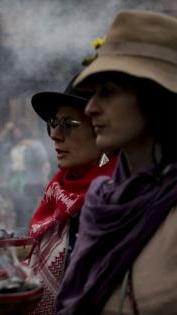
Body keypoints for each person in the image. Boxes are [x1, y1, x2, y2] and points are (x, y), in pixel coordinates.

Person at [55, 10, 177, 314]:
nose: (92, 108)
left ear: (155, 99)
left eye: (108, 92)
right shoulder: (103, 200)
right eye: (93, 94)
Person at [27, 75, 117, 315]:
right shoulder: (59, 188)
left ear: (101, 127)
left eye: (69, 124)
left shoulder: (116, 196)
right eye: (54, 123)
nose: (55, 134)